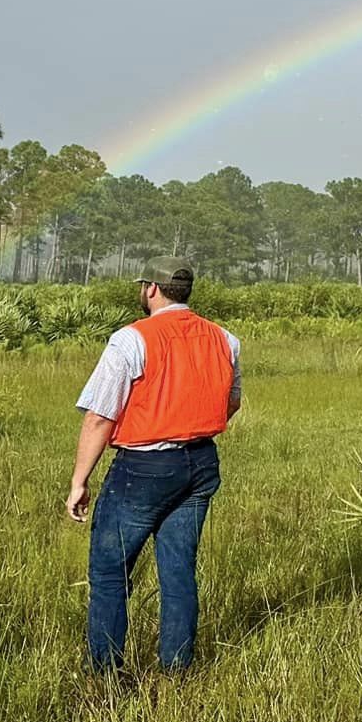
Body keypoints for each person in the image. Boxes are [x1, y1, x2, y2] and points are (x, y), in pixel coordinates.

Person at [67, 258, 241, 671]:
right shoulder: (224, 339)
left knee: (110, 573)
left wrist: (80, 481)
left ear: (151, 289)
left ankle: (106, 673)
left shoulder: (130, 340)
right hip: (200, 462)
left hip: (142, 468)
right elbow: (230, 402)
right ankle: (176, 669)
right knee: (179, 571)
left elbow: (98, 417)